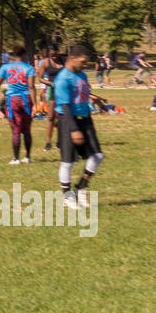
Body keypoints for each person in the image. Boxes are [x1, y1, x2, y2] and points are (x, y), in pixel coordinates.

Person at [53, 45, 105, 211]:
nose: (85, 65)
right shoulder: (62, 78)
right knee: (67, 161)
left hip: (86, 118)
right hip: (68, 120)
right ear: (72, 58)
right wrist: (74, 129)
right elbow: (65, 106)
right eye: (82, 62)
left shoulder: (81, 74)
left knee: (98, 156)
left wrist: (94, 99)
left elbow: (80, 92)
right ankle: (67, 197)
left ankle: (80, 188)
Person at [0, 46, 37, 165]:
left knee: (15, 130)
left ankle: (16, 158)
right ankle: (28, 156)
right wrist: (35, 104)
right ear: (24, 55)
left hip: (12, 99)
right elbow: (31, 87)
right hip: (26, 99)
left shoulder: (5, 67)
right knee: (27, 129)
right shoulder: (29, 68)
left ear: (13, 55)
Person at [37, 49, 63, 152]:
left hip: (63, 92)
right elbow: (40, 78)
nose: (54, 57)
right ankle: (48, 142)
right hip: (52, 91)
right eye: (51, 55)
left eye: (55, 55)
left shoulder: (63, 60)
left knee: (62, 117)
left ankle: (60, 141)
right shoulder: (45, 62)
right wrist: (50, 84)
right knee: (51, 117)